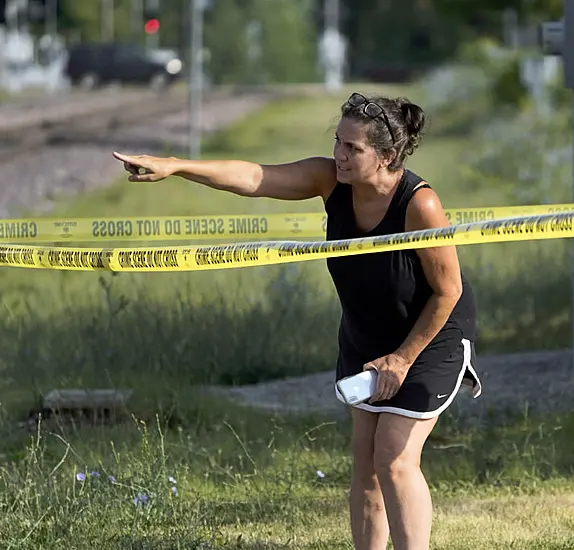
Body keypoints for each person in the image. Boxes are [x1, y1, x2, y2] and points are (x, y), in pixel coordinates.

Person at [112, 91, 482, 550]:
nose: (339, 155)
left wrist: (402, 361)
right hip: (367, 335)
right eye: (337, 143)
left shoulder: (420, 205)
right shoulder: (331, 181)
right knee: (365, 465)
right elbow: (254, 177)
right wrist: (176, 165)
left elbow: (449, 290)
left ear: (387, 156)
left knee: (394, 459)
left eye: (353, 148)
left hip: (429, 336)